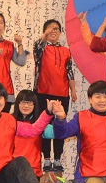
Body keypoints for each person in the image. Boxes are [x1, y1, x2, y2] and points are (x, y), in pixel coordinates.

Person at [33, 19, 77, 172]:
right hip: (42, 93)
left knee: (59, 126)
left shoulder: (66, 51)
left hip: (62, 94)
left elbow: (70, 72)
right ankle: (46, 159)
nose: (53, 31)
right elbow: (38, 44)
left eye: (56, 29)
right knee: (44, 127)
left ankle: (57, 158)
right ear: (45, 31)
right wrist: (45, 35)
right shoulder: (41, 48)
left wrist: (73, 91)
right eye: (50, 28)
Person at [12, 90, 58, 183]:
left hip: (32, 171)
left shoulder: (40, 124)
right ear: (17, 104)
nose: (26, 106)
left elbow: (56, 133)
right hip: (14, 170)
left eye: (30, 103)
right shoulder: (10, 122)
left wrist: (59, 117)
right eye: (23, 102)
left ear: (35, 105)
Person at [0, 12, 29, 111]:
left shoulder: (8, 45)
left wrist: (19, 44)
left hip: (6, 87)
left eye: (1, 23)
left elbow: (21, 62)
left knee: (4, 117)